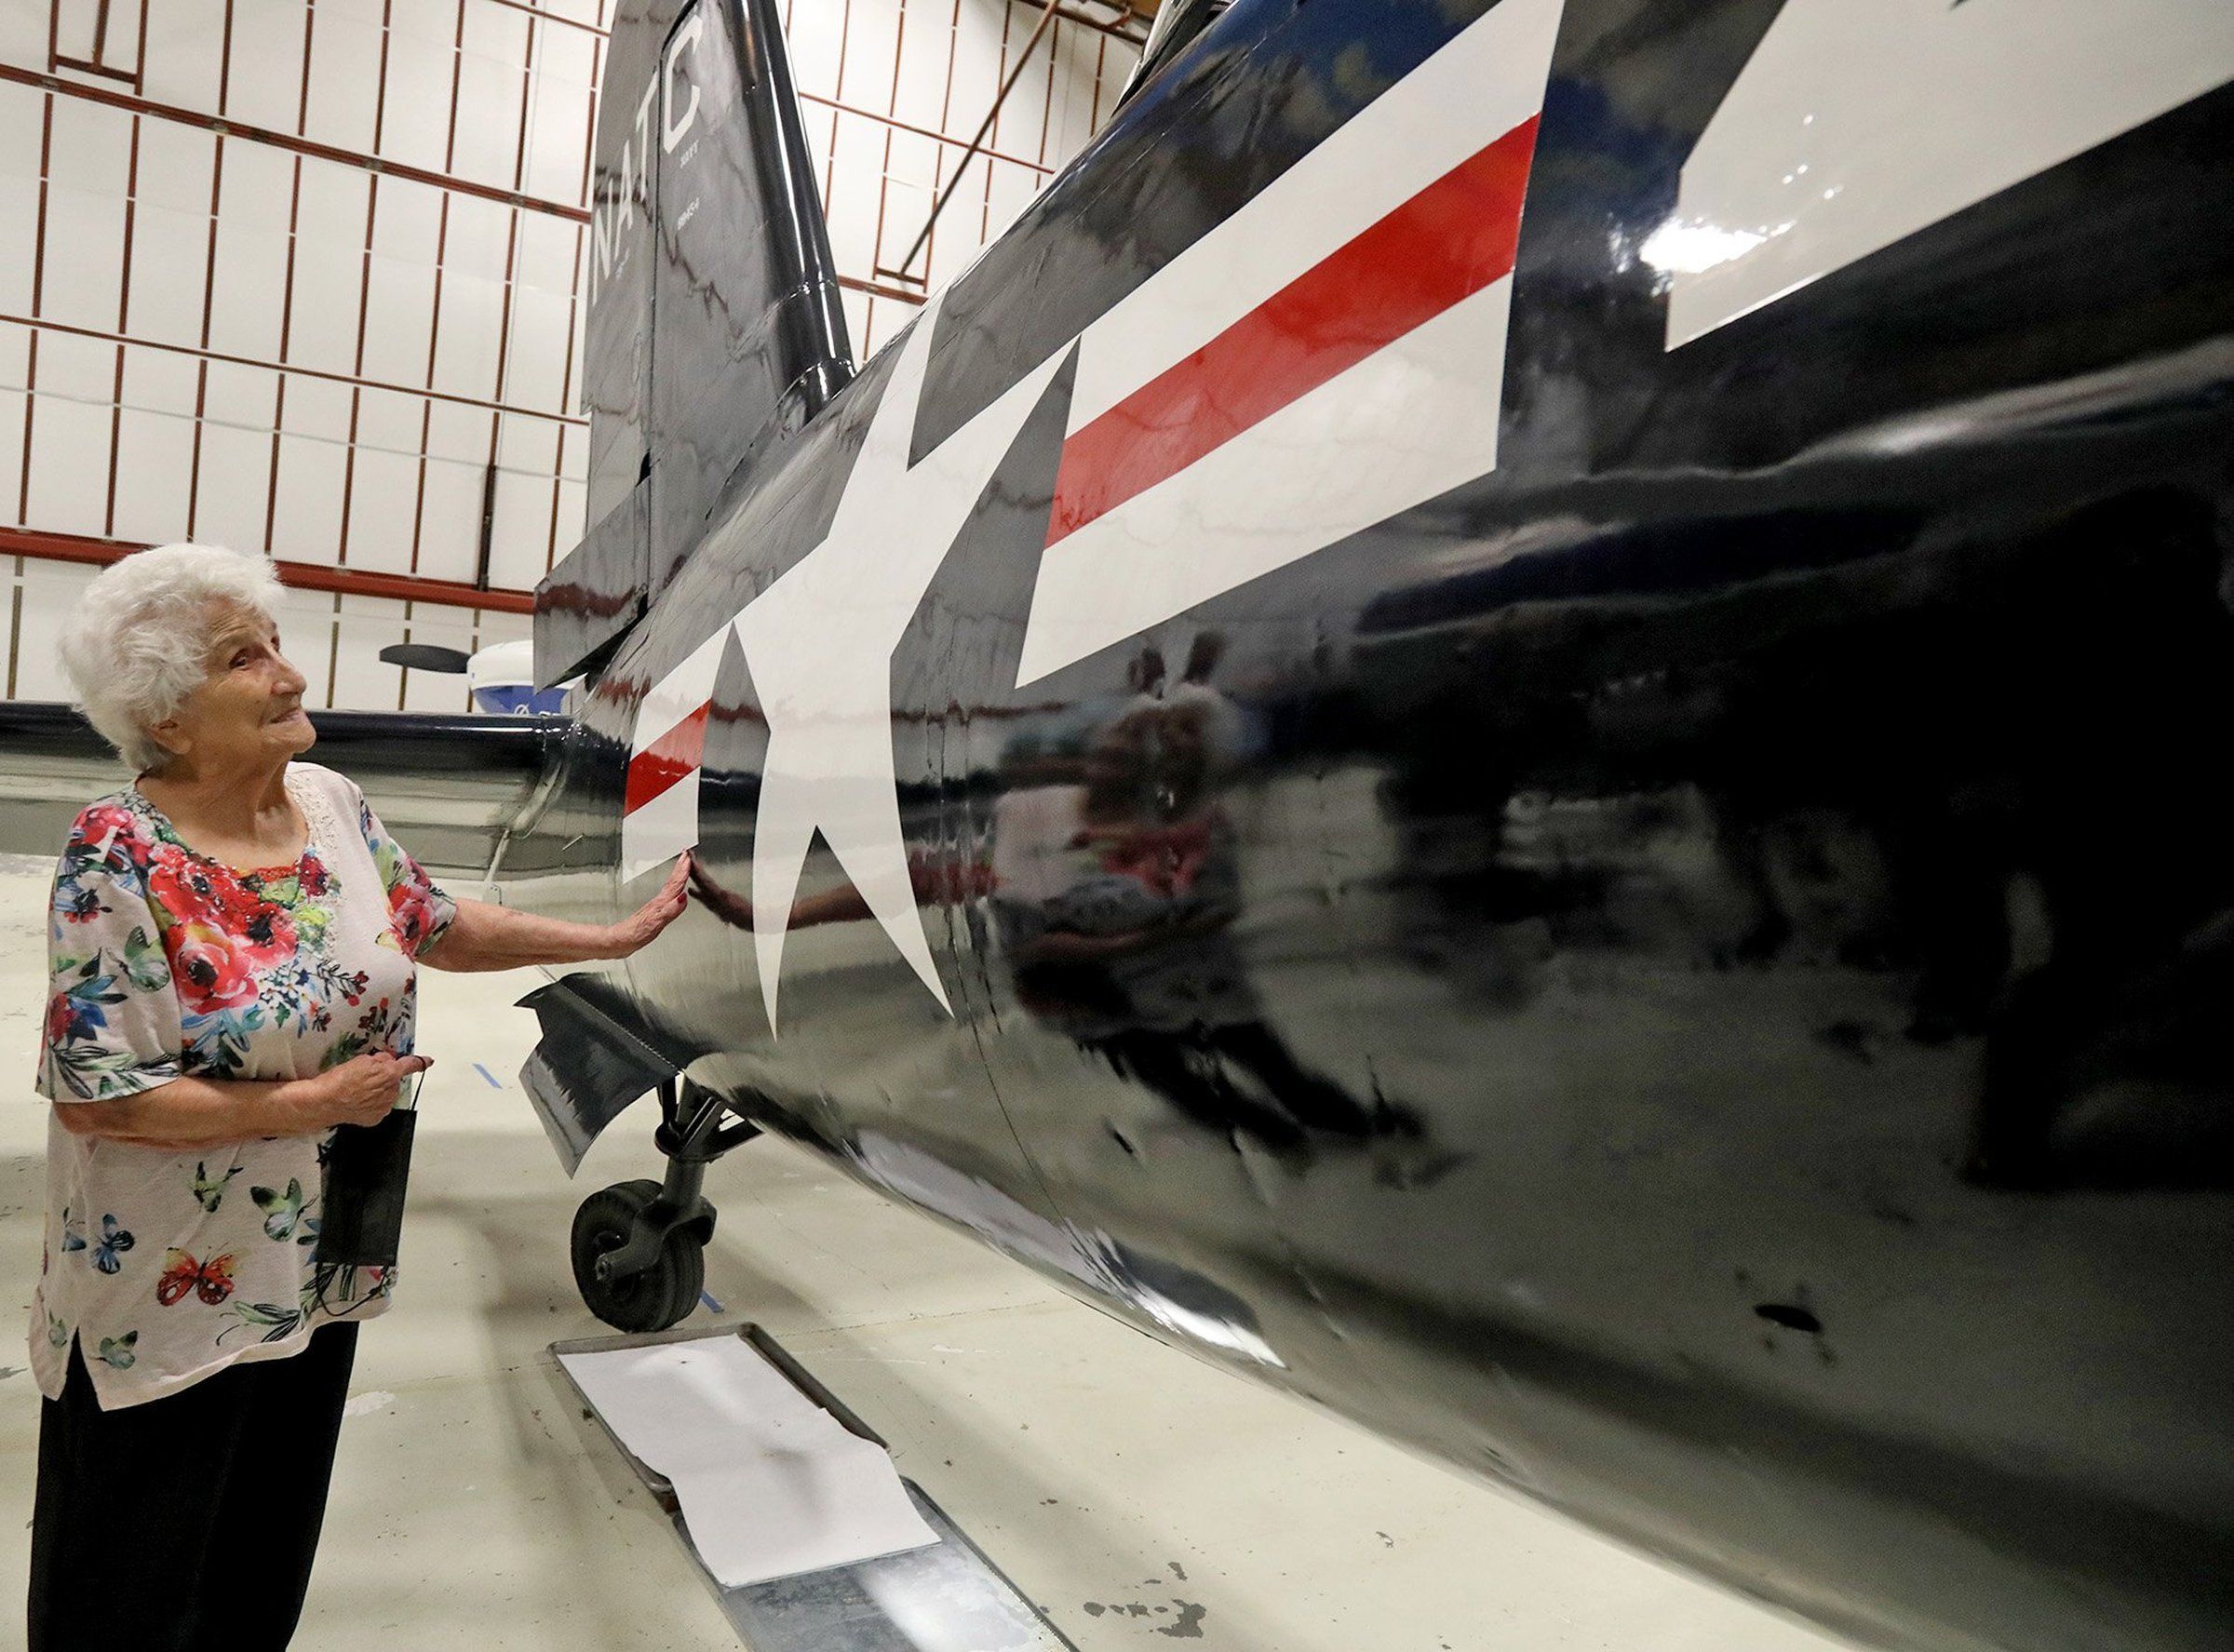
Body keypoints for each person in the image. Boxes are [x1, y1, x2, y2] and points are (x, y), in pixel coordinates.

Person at [25, 543, 692, 1652]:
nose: (290, 673)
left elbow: (432, 922)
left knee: (260, 1557)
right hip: (172, 1279)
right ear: (169, 715)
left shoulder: (331, 804)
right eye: (247, 657)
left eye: (277, 644)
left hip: (322, 1252)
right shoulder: (118, 850)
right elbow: (100, 1097)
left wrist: (607, 936)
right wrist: (309, 1102)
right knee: (129, 1576)